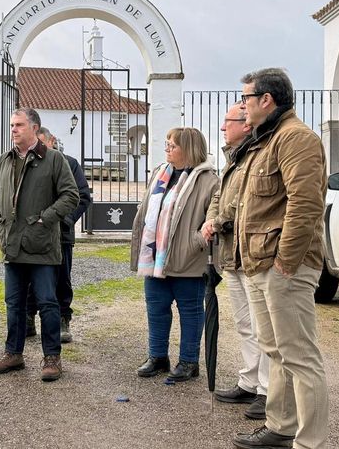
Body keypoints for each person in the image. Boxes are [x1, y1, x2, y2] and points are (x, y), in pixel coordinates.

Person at [232, 68, 328, 449]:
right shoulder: (266, 141)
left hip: (283, 267)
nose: (243, 107)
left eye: (246, 99)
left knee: (301, 356)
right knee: (276, 351)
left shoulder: (296, 139)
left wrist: (285, 262)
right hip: (260, 264)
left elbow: (305, 205)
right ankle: (281, 427)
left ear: (266, 100)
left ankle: (310, 442)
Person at [0, 108, 79, 382]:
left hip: (42, 246)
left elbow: (71, 195)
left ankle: (52, 357)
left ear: (34, 128)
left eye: (19, 125)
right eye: (12, 125)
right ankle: (13, 353)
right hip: (12, 245)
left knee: (48, 303)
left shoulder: (54, 160)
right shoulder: (4, 160)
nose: (13, 129)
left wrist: (45, 219)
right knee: (14, 302)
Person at [130, 127, 219, 382]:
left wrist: (197, 240)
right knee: (156, 307)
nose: (167, 148)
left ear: (189, 149)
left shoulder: (208, 179)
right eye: (167, 143)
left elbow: (212, 215)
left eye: (173, 145)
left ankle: (189, 361)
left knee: (190, 310)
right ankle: (157, 356)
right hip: (156, 256)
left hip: (187, 258)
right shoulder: (161, 172)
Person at [200, 103, 270, 419]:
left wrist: (218, 221)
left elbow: (249, 202)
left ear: (244, 124)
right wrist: (212, 218)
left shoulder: (259, 153)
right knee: (244, 323)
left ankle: (269, 391)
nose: (221, 128)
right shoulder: (233, 158)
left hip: (253, 253)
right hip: (233, 253)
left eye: (226, 121)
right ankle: (250, 381)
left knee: (262, 326)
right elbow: (220, 197)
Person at [24, 127, 92, 343]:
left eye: (43, 142)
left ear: (51, 140)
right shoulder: (27, 162)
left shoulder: (69, 163)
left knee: (62, 277)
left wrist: (66, 220)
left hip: (61, 234)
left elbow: (82, 196)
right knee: (30, 278)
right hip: (34, 233)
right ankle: (28, 316)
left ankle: (63, 318)